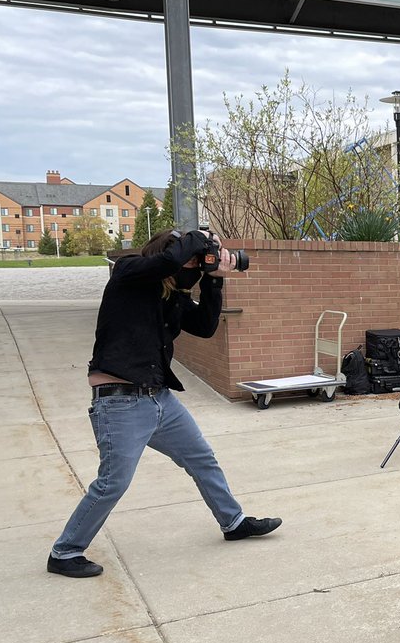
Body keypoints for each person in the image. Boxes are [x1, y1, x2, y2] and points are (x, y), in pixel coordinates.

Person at [47, 228, 282, 578]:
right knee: (113, 482)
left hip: (160, 399)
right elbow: (168, 261)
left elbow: (205, 326)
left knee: (202, 459)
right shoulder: (128, 273)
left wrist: (214, 279)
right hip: (120, 402)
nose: (194, 266)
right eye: (192, 260)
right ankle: (64, 552)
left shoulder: (172, 297)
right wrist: (200, 238)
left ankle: (233, 523)